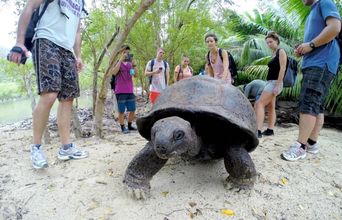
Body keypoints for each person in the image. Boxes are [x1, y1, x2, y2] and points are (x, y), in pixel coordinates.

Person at [8, 0, 88, 169]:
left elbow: (77, 30)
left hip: (67, 50)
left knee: (68, 98)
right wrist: (20, 42)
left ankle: (66, 148)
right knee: (49, 94)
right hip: (46, 40)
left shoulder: (80, 2)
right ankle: (36, 148)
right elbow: (30, 6)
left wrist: (78, 55)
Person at [281, 0, 341, 161]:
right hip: (317, 62)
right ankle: (312, 143)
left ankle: (300, 146)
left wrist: (311, 45)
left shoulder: (325, 2)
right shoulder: (314, 10)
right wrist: (304, 47)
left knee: (309, 102)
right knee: (316, 104)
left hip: (321, 62)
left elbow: (335, 27)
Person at [255, 32, 287, 138]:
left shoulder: (281, 51)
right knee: (271, 106)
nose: (269, 44)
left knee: (259, 104)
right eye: (267, 42)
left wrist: (278, 85)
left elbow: (283, 68)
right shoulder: (274, 53)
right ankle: (270, 130)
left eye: (271, 42)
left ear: (277, 41)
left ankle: (258, 130)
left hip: (275, 82)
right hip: (271, 82)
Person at [110, 45, 137, 134]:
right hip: (120, 90)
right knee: (121, 111)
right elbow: (114, 72)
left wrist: (134, 66)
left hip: (129, 90)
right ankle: (122, 127)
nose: (126, 54)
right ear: (121, 52)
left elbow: (134, 75)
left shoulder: (130, 64)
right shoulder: (117, 62)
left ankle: (129, 125)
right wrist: (120, 60)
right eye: (125, 52)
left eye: (128, 52)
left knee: (132, 109)